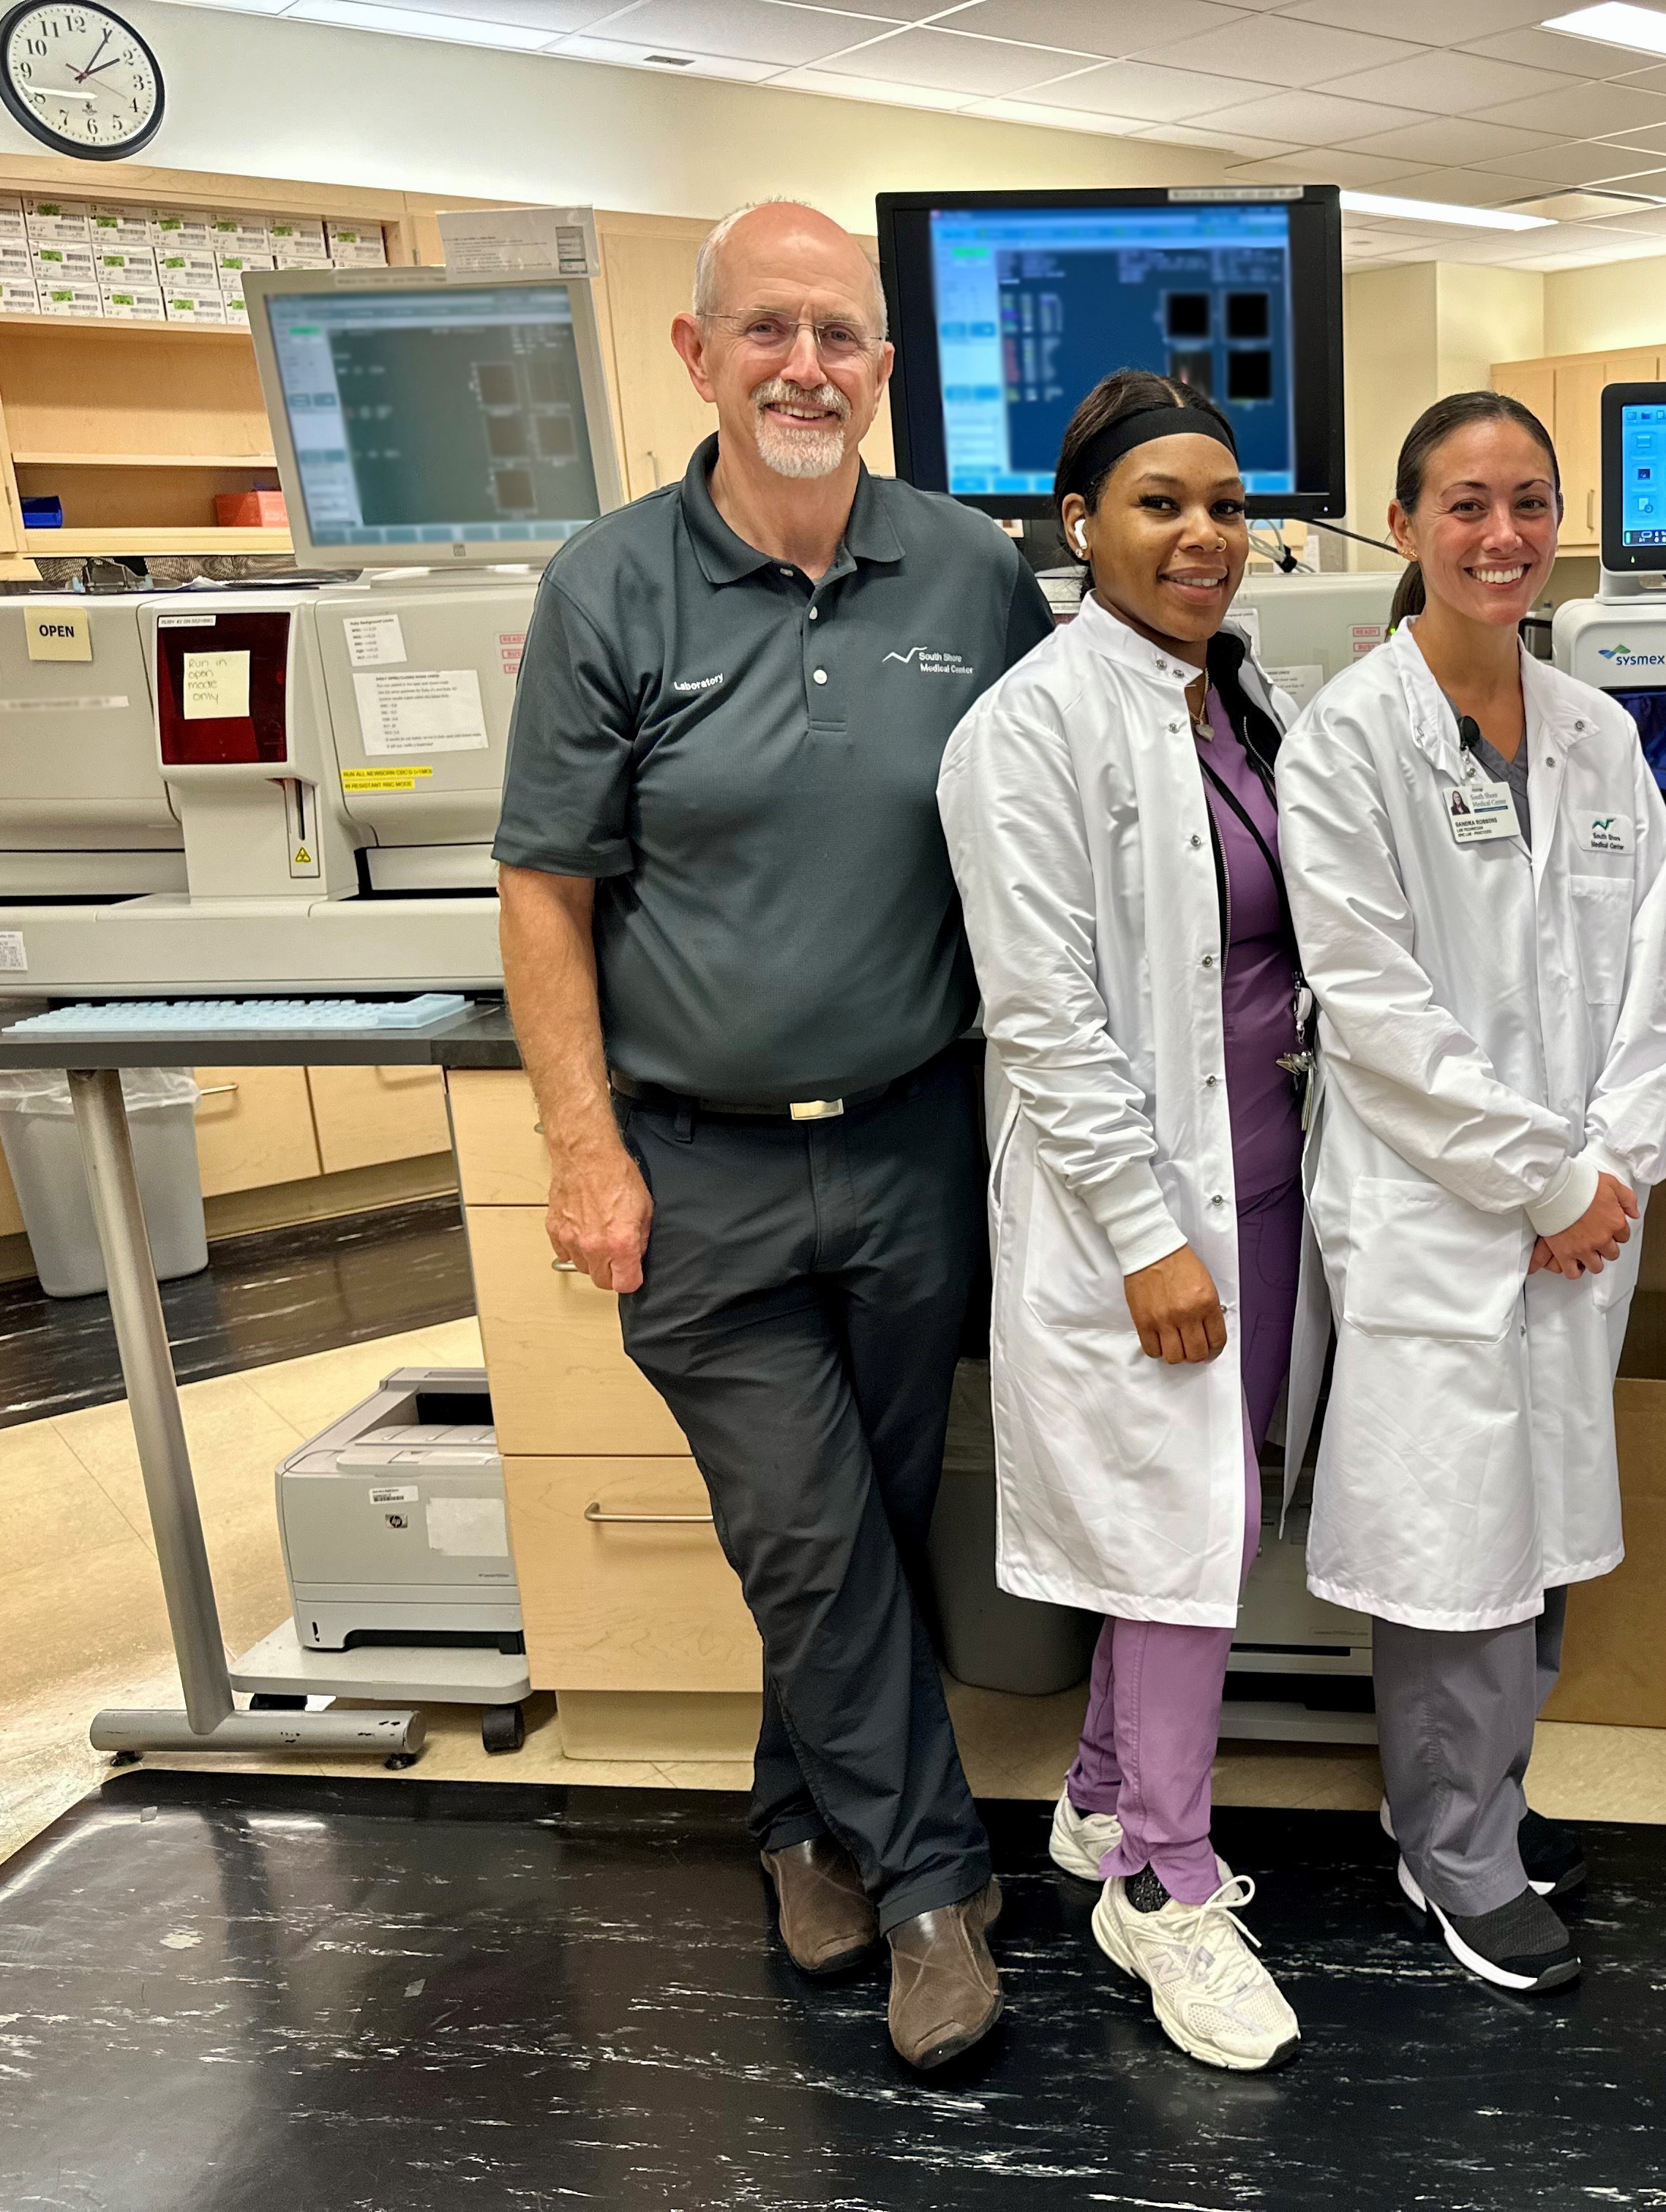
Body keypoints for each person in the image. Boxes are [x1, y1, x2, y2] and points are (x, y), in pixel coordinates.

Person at [492, 200, 1052, 2072]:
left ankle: (798, 1822)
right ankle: (927, 1892)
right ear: (698, 352)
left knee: (856, 1533)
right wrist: (584, 1146)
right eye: (769, 331)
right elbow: (545, 889)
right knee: (810, 1536)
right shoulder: (611, 586)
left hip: (911, 1144)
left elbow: (1049, 834)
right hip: (698, 1165)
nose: (805, 365)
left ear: (886, 371)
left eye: (841, 336)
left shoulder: (974, 580)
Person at [1279, 392, 1666, 1996]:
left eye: (1530, 503)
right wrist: (1544, 1178)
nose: (1503, 535)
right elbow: (1376, 1015)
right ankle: (1454, 1851)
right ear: (1405, 526)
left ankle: (1489, 1806)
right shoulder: (1347, 743)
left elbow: (1650, 970)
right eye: (1466, 503)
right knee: (1455, 1546)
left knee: (1532, 1530)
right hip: (1438, 1213)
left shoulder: (1592, 734)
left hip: (1576, 1210)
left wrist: (1614, 1167)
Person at [937, 373, 1318, 2074]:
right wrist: (1148, 1241)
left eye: (1229, 506)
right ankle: (1163, 1886)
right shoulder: (1026, 730)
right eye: (1162, 503)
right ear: (1078, 525)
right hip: (1140, 1214)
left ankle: (1100, 1798)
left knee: (1212, 1522)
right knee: (1177, 1541)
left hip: (1270, 1180)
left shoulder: (1235, 697)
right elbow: (1046, 1018)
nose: (1205, 536)